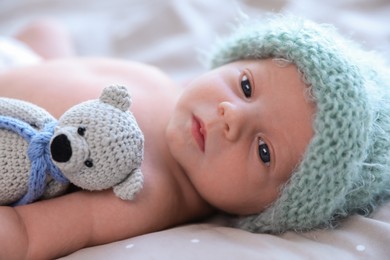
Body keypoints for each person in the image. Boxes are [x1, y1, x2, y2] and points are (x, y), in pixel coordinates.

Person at [0, 15, 389, 259]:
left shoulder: (146, 193)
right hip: (23, 65)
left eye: (264, 150)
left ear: (268, 210)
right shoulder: (183, 94)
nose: (231, 116)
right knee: (47, 32)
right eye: (247, 86)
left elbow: (27, 236)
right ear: (235, 59)